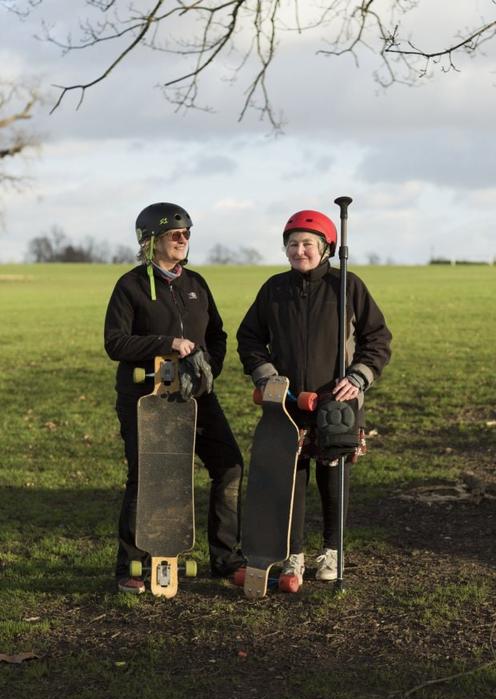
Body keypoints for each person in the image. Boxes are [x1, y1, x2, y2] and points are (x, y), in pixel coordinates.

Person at [236, 209, 392, 586]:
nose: (299, 250)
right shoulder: (274, 289)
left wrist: (359, 376)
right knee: (290, 481)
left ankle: (333, 553)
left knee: (334, 480)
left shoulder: (347, 286)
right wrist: (267, 376)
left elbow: (378, 339)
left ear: (326, 248)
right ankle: (293, 555)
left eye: (307, 244)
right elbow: (249, 338)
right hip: (287, 404)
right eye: (292, 244)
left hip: (337, 405)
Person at [104, 202, 244, 594]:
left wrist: (206, 368)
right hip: (145, 396)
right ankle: (132, 566)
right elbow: (115, 342)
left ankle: (226, 557)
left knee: (230, 465)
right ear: (150, 242)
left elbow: (217, 334)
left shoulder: (196, 283)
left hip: (195, 396)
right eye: (174, 234)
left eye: (186, 233)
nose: (183, 239)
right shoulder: (130, 285)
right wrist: (169, 344)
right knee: (147, 477)